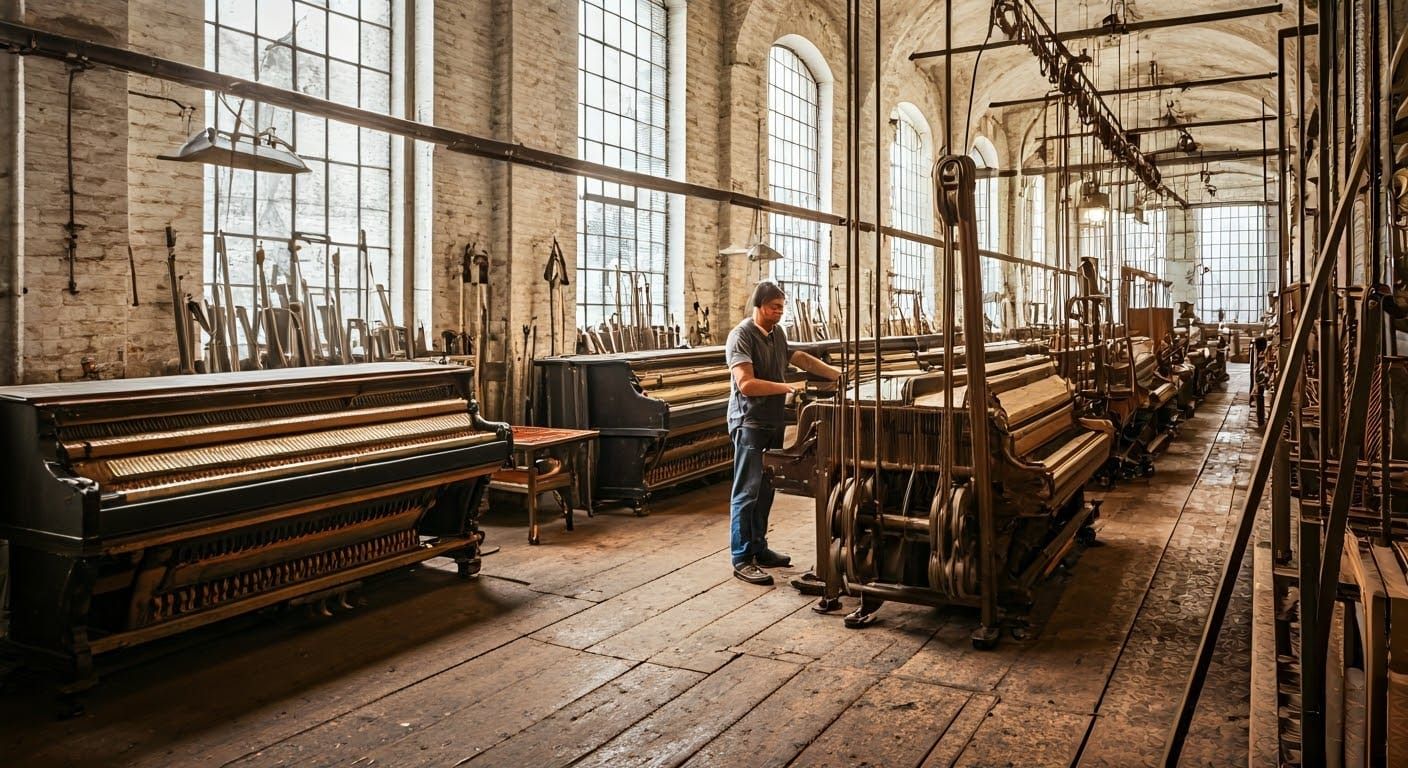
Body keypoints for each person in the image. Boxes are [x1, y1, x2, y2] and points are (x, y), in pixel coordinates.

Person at [726, 281, 839, 585]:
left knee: (766, 488)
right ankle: (741, 557)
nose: (779, 312)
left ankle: (759, 548)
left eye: (782, 307)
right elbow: (746, 385)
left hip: (773, 420)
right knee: (746, 491)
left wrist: (837, 375)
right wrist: (788, 387)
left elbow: (797, 357)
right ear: (759, 305)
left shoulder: (777, 333)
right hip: (750, 422)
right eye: (774, 307)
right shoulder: (741, 336)